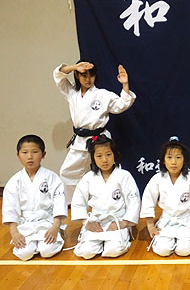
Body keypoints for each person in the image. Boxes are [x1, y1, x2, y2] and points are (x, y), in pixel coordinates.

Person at [53, 60, 136, 202]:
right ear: (77, 75)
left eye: (91, 75)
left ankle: (116, 202)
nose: (88, 79)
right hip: (80, 140)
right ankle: (76, 204)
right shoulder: (72, 92)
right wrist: (74, 67)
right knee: (67, 172)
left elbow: (122, 104)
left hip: (100, 139)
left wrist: (125, 84)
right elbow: (58, 75)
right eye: (83, 75)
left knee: (109, 170)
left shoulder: (103, 94)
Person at [71, 135, 140, 259]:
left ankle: (120, 239)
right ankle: (96, 242)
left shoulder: (124, 175)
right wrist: (86, 222)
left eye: (108, 154)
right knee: (86, 253)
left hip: (117, 220)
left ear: (115, 155)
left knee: (112, 251)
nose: (104, 160)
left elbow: (134, 200)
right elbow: (78, 201)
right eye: (99, 156)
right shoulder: (88, 178)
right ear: (93, 158)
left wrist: (124, 222)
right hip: (96, 221)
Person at [141, 137, 190, 256]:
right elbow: (148, 200)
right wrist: (150, 226)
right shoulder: (157, 179)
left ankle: (189, 240)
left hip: (187, 220)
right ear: (163, 160)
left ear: (184, 160)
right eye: (169, 157)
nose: (174, 162)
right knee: (162, 250)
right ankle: (169, 241)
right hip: (167, 220)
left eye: (178, 157)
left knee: (184, 250)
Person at [2, 135, 67, 261]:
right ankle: (33, 243)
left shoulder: (52, 178)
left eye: (35, 152)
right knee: (24, 254)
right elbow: (10, 209)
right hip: (26, 224)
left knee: (46, 251)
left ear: (43, 154)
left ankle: (59, 235)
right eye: (25, 152)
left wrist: (55, 227)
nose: (30, 157)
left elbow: (59, 203)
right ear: (18, 155)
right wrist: (14, 232)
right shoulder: (14, 181)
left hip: (47, 222)